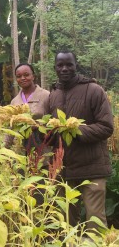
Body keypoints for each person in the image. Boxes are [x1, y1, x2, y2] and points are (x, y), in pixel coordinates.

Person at [49, 50, 114, 232]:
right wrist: (40, 131)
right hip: (65, 170)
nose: (64, 68)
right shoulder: (53, 94)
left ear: (76, 65)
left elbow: (106, 127)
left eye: (69, 64)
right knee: (65, 223)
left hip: (92, 168)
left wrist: (75, 129)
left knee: (94, 222)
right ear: (55, 67)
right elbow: (51, 133)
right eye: (60, 65)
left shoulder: (93, 90)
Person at [4, 63, 50, 152]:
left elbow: (53, 121)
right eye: (19, 76)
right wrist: (4, 150)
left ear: (33, 76)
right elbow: (10, 128)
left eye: (26, 75)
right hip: (20, 152)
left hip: (43, 150)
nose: (22, 78)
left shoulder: (46, 95)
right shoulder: (14, 101)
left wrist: (38, 126)